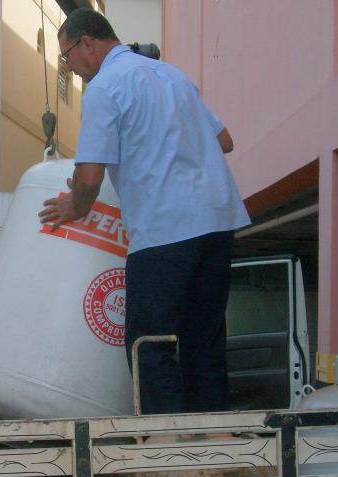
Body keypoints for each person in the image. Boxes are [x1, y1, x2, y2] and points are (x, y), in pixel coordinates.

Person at [39, 8, 250, 415]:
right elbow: (224, 141)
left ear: (87, 43)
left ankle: (169, 449)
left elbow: (88, 179)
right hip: (218, 220)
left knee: (149, 343)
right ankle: (214, 441)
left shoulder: (105, 87)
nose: (70, 68)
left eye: (66, 57)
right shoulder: (172, 75)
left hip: (166, 228)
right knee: (202, 340)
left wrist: (74, 208)